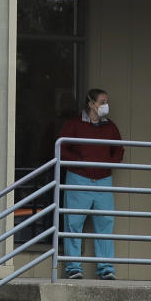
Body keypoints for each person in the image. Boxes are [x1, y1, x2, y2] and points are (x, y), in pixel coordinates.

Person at [59, 88, 124, 280]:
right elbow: (62, 147)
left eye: (106, 101)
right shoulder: (74, 124)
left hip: (103, 180)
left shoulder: (110, 126)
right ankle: (73, 268)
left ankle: (106, 269)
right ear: (91, 103)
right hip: (78, 179)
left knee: (105, 224)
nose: (106, 105)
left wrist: (109, 164)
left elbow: (118, 150)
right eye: (102, 102)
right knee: (73, 223)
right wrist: (79, 161)